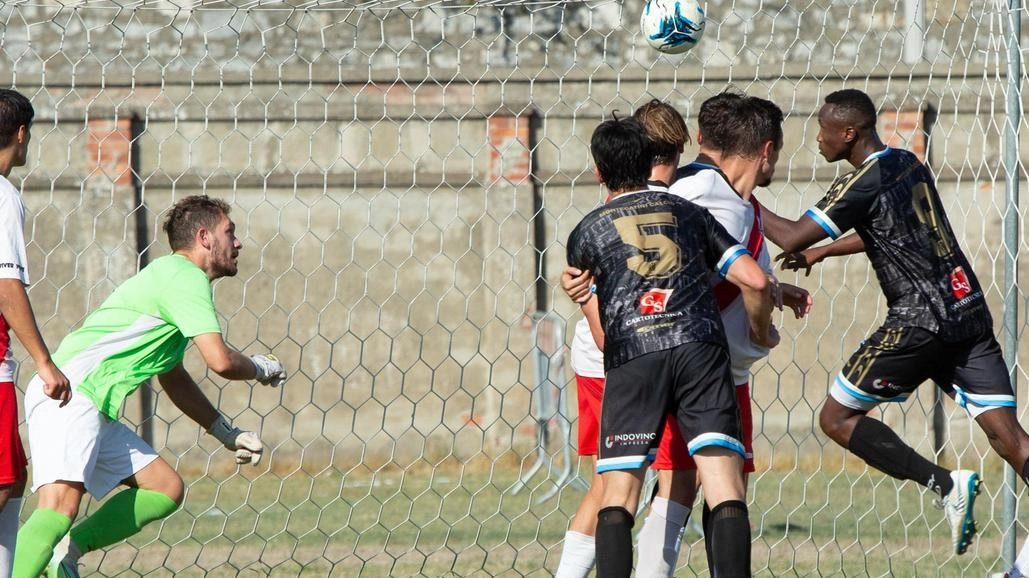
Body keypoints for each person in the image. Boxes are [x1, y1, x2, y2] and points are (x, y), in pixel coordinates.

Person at [761, 88, 1029, 562]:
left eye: (823, 130)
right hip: (966, 310)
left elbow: (789, 234)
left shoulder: (863, 180)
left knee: (835, 418)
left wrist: (729, 189)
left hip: (917, 323)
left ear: (849, 133)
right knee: (1011, 440)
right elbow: (890, 233)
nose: (817, 140)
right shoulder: (907, 162)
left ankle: (946, 484)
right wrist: (824, 251)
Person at [563, 91, 813, 577]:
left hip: (632, 349)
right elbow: (743, 277)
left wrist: (586, 298)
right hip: (691, 350)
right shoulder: (692, 204)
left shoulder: (590, 228)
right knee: (707, 483)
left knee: (636, 486)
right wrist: (763, 330)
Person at [12, 195, 288, 578]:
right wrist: (261, 367)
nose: (238, 242)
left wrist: (226, 432)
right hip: (70, 395)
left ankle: (67, 553)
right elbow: (221, 361)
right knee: (58, 507)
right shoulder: (184, 277)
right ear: (205, 237)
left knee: (164, 488)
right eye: (231, 232)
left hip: (90, 402)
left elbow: (173, 376)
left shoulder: (174, 279)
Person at [555, 99, 699, 578]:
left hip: (618, 351)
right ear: (676, 150)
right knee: (669, 475)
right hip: (631, 352)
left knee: (612, 482)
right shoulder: (675, 205)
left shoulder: (615, 204)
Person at [0, 89, 72, 578]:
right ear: (22, 135)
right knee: (3, 484)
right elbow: (6, 284)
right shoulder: (3, 196)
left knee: (13, 480)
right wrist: (44, 363)